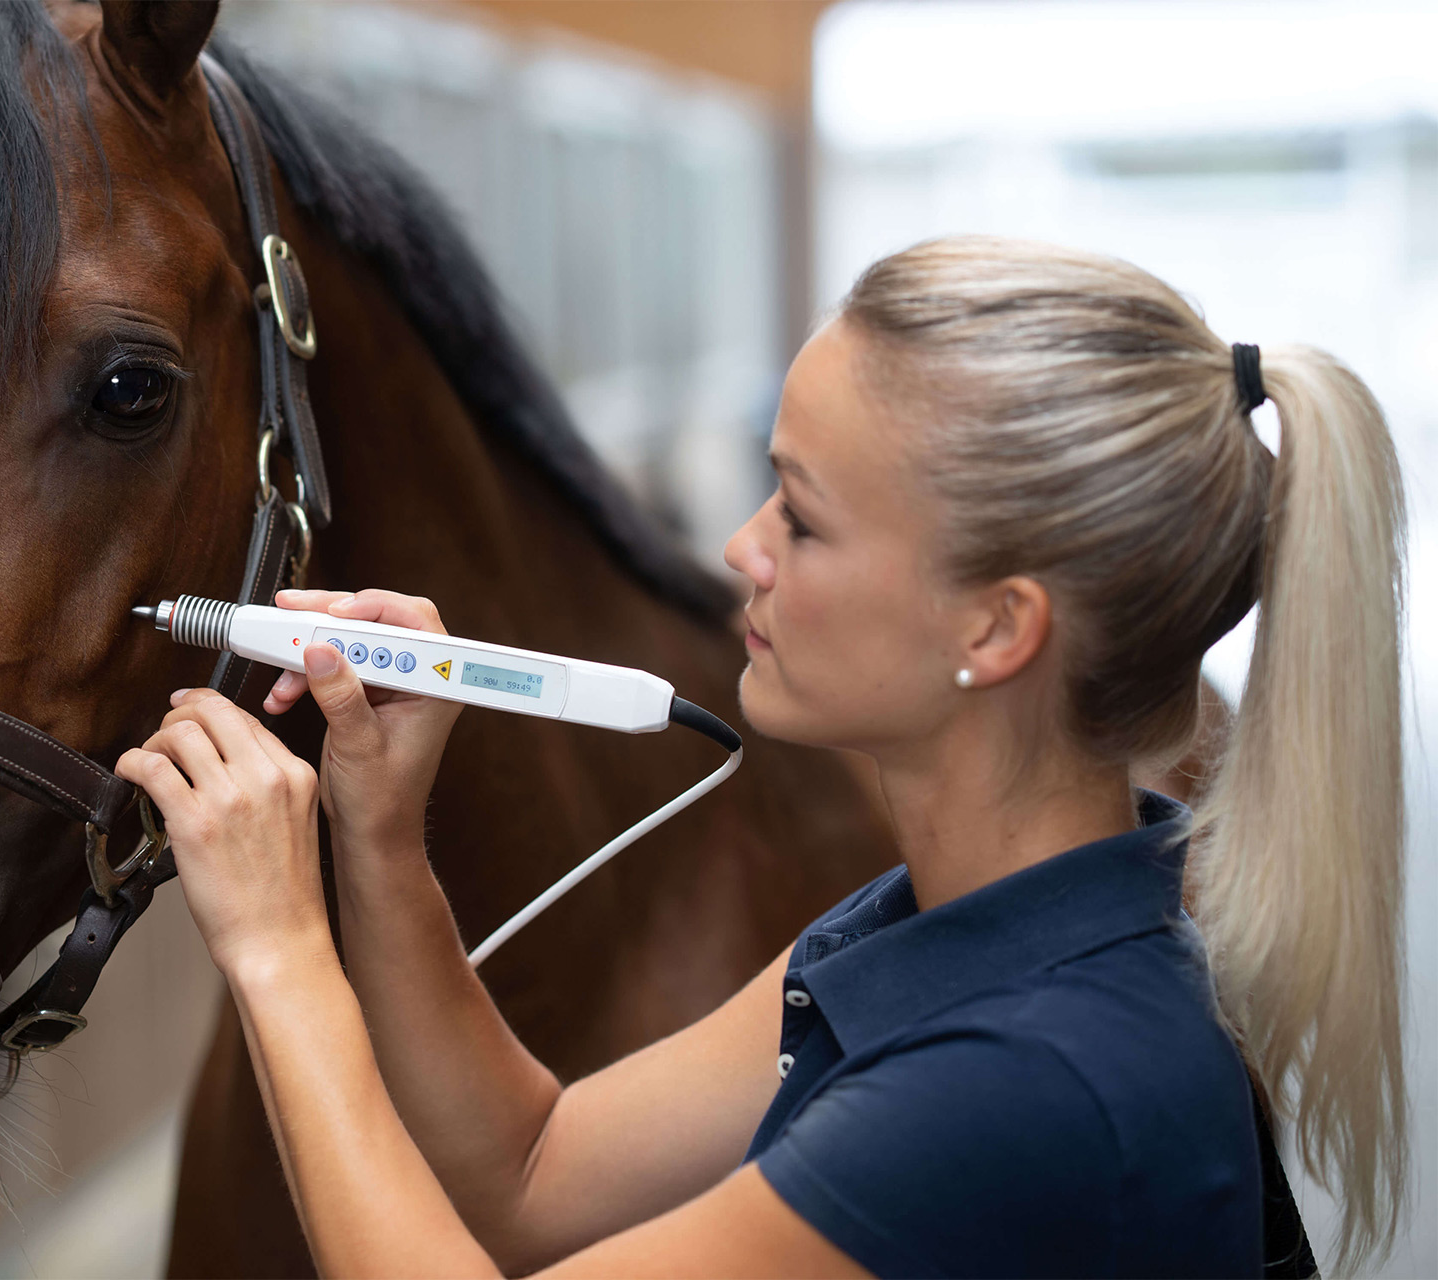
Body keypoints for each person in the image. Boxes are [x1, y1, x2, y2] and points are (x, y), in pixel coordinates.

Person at [116, 236, 1407, 1277]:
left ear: (997, 627)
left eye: (802, 513)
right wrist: (381, 843)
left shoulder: (1035, 1078)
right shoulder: (946, 928)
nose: (743, 546)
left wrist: (283, 950)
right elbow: (529, 1177)